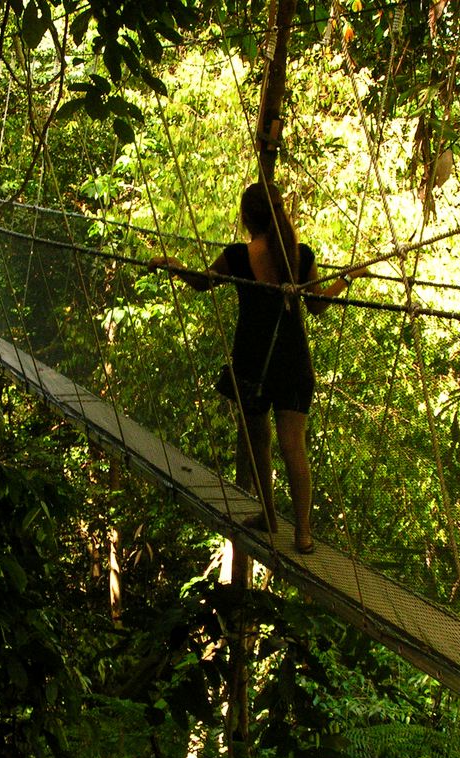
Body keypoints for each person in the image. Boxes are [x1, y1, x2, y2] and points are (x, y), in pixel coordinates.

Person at [150, 182, 367, 554]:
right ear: (278, 213)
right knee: (293, 448)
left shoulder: (235, 257)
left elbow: (202, 283)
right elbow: (316, 306)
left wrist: (175, 267)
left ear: (246, 217)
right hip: (293, 362)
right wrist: (347, 278)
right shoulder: (299, 255)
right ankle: (303, 533)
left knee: (259, 443)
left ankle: (269, 513)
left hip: (251, 362)